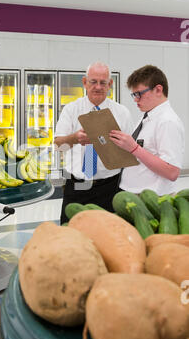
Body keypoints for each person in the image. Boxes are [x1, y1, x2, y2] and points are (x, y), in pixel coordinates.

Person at [54, 62, 134, 224]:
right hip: (76, 186)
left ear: (110, 84)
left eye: (103, 82)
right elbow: (57, 145)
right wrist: (75, 138)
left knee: (107, 236)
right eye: (93, 82)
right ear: (84, 82)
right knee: (70, 233)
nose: (98, 87)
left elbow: (131, 150)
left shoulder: (122, 113)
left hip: (110, 186)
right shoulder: (71, 110)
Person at [109, 64, 185, 195]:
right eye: (134, 95)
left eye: (139, 94)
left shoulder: (167, 122)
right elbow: (142, 155)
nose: (136, 100)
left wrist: (134, 148)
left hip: (152, 200)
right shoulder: (147, 117)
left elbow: (172, 172)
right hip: (133, 194)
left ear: (158, 90)